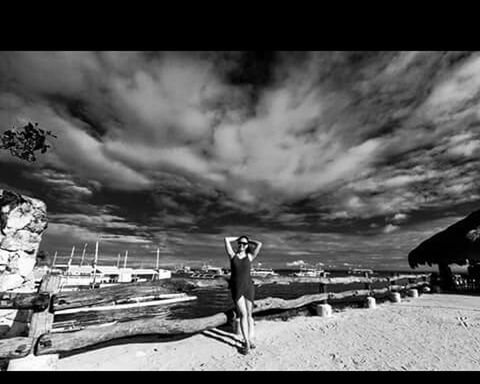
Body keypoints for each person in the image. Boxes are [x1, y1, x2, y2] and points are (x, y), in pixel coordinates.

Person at [224, 235, 262, 355]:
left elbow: (259, 244)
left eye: (244, 244)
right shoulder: (232, 255)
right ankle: (246, 342)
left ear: (247, 246)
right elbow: (226, 239)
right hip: (237, 288)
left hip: (249, 288)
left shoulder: (250, 256)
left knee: (249, 315)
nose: (241, 245)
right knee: (243, 314)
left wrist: (248, 240)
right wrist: (239, 238)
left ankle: (250, 339)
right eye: (240, 243)